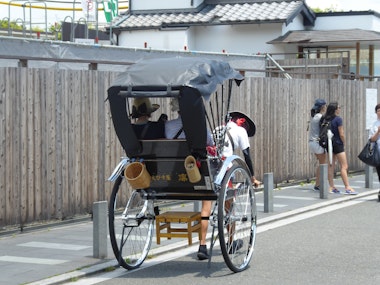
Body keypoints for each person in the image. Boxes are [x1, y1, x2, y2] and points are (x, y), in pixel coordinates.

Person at [197, 111, 261, 260]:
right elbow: (247, 156)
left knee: (205, 207)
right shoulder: (241, 131)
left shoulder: (218, 128)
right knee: (229, 206)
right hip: (225, 170)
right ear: (242, 123)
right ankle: (231, 242)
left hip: (210, 167)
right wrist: (252, 177)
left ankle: (202, 246)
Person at [321, 102, 357, 195]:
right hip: (338, 144)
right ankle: (347, 187)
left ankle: (331, 186)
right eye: (339, 107)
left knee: (331, 165)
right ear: (335, 109)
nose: (340, 109)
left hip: (329, 144)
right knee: (344, 166)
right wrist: (344, 142)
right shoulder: (338, 119)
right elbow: (341, 133)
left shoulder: (324, 119)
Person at [308, 99, 327, 191]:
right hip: (317, 143)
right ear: (322, 107)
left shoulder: (314, 116)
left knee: (321, 163)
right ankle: (318, 184)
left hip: (312, 142)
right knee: (323, 164)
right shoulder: (320, 117)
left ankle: (319, 183)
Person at [368, 103, 380, 198]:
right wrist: (378, 131)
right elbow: (371, 139)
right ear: (376, 112)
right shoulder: (374, 125)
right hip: (378, 152)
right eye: (378, 111)